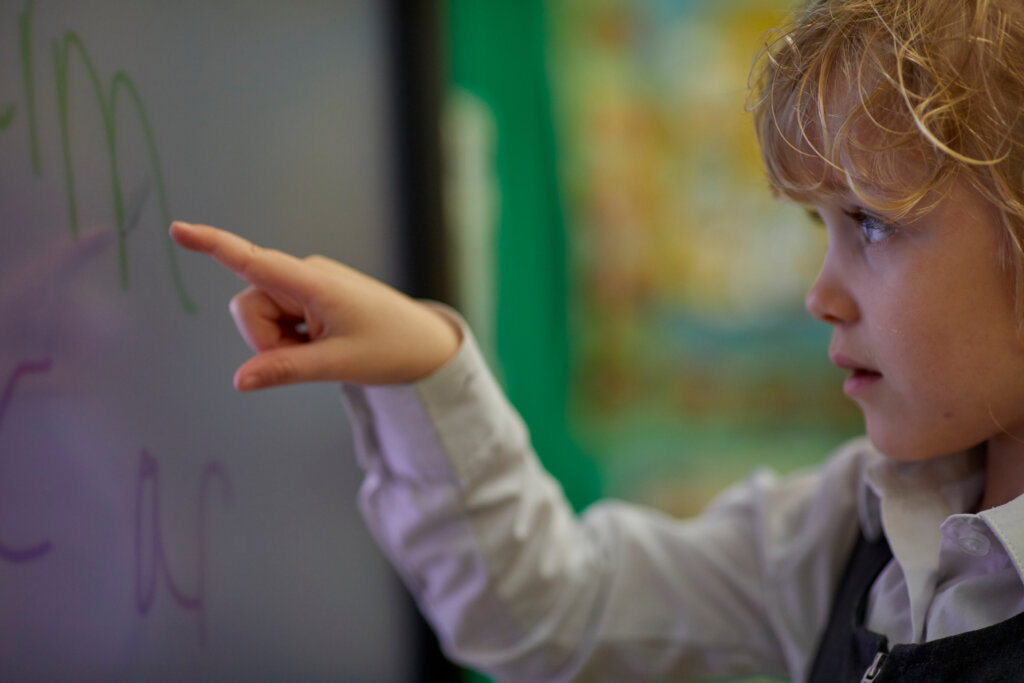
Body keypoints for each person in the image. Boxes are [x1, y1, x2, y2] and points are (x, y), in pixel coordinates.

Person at [170, 0, 1024, 680]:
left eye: (870, 223)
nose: (820, 293)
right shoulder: (853, 524)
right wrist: (430, 369)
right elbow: (557, 614)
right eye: (820, 226)